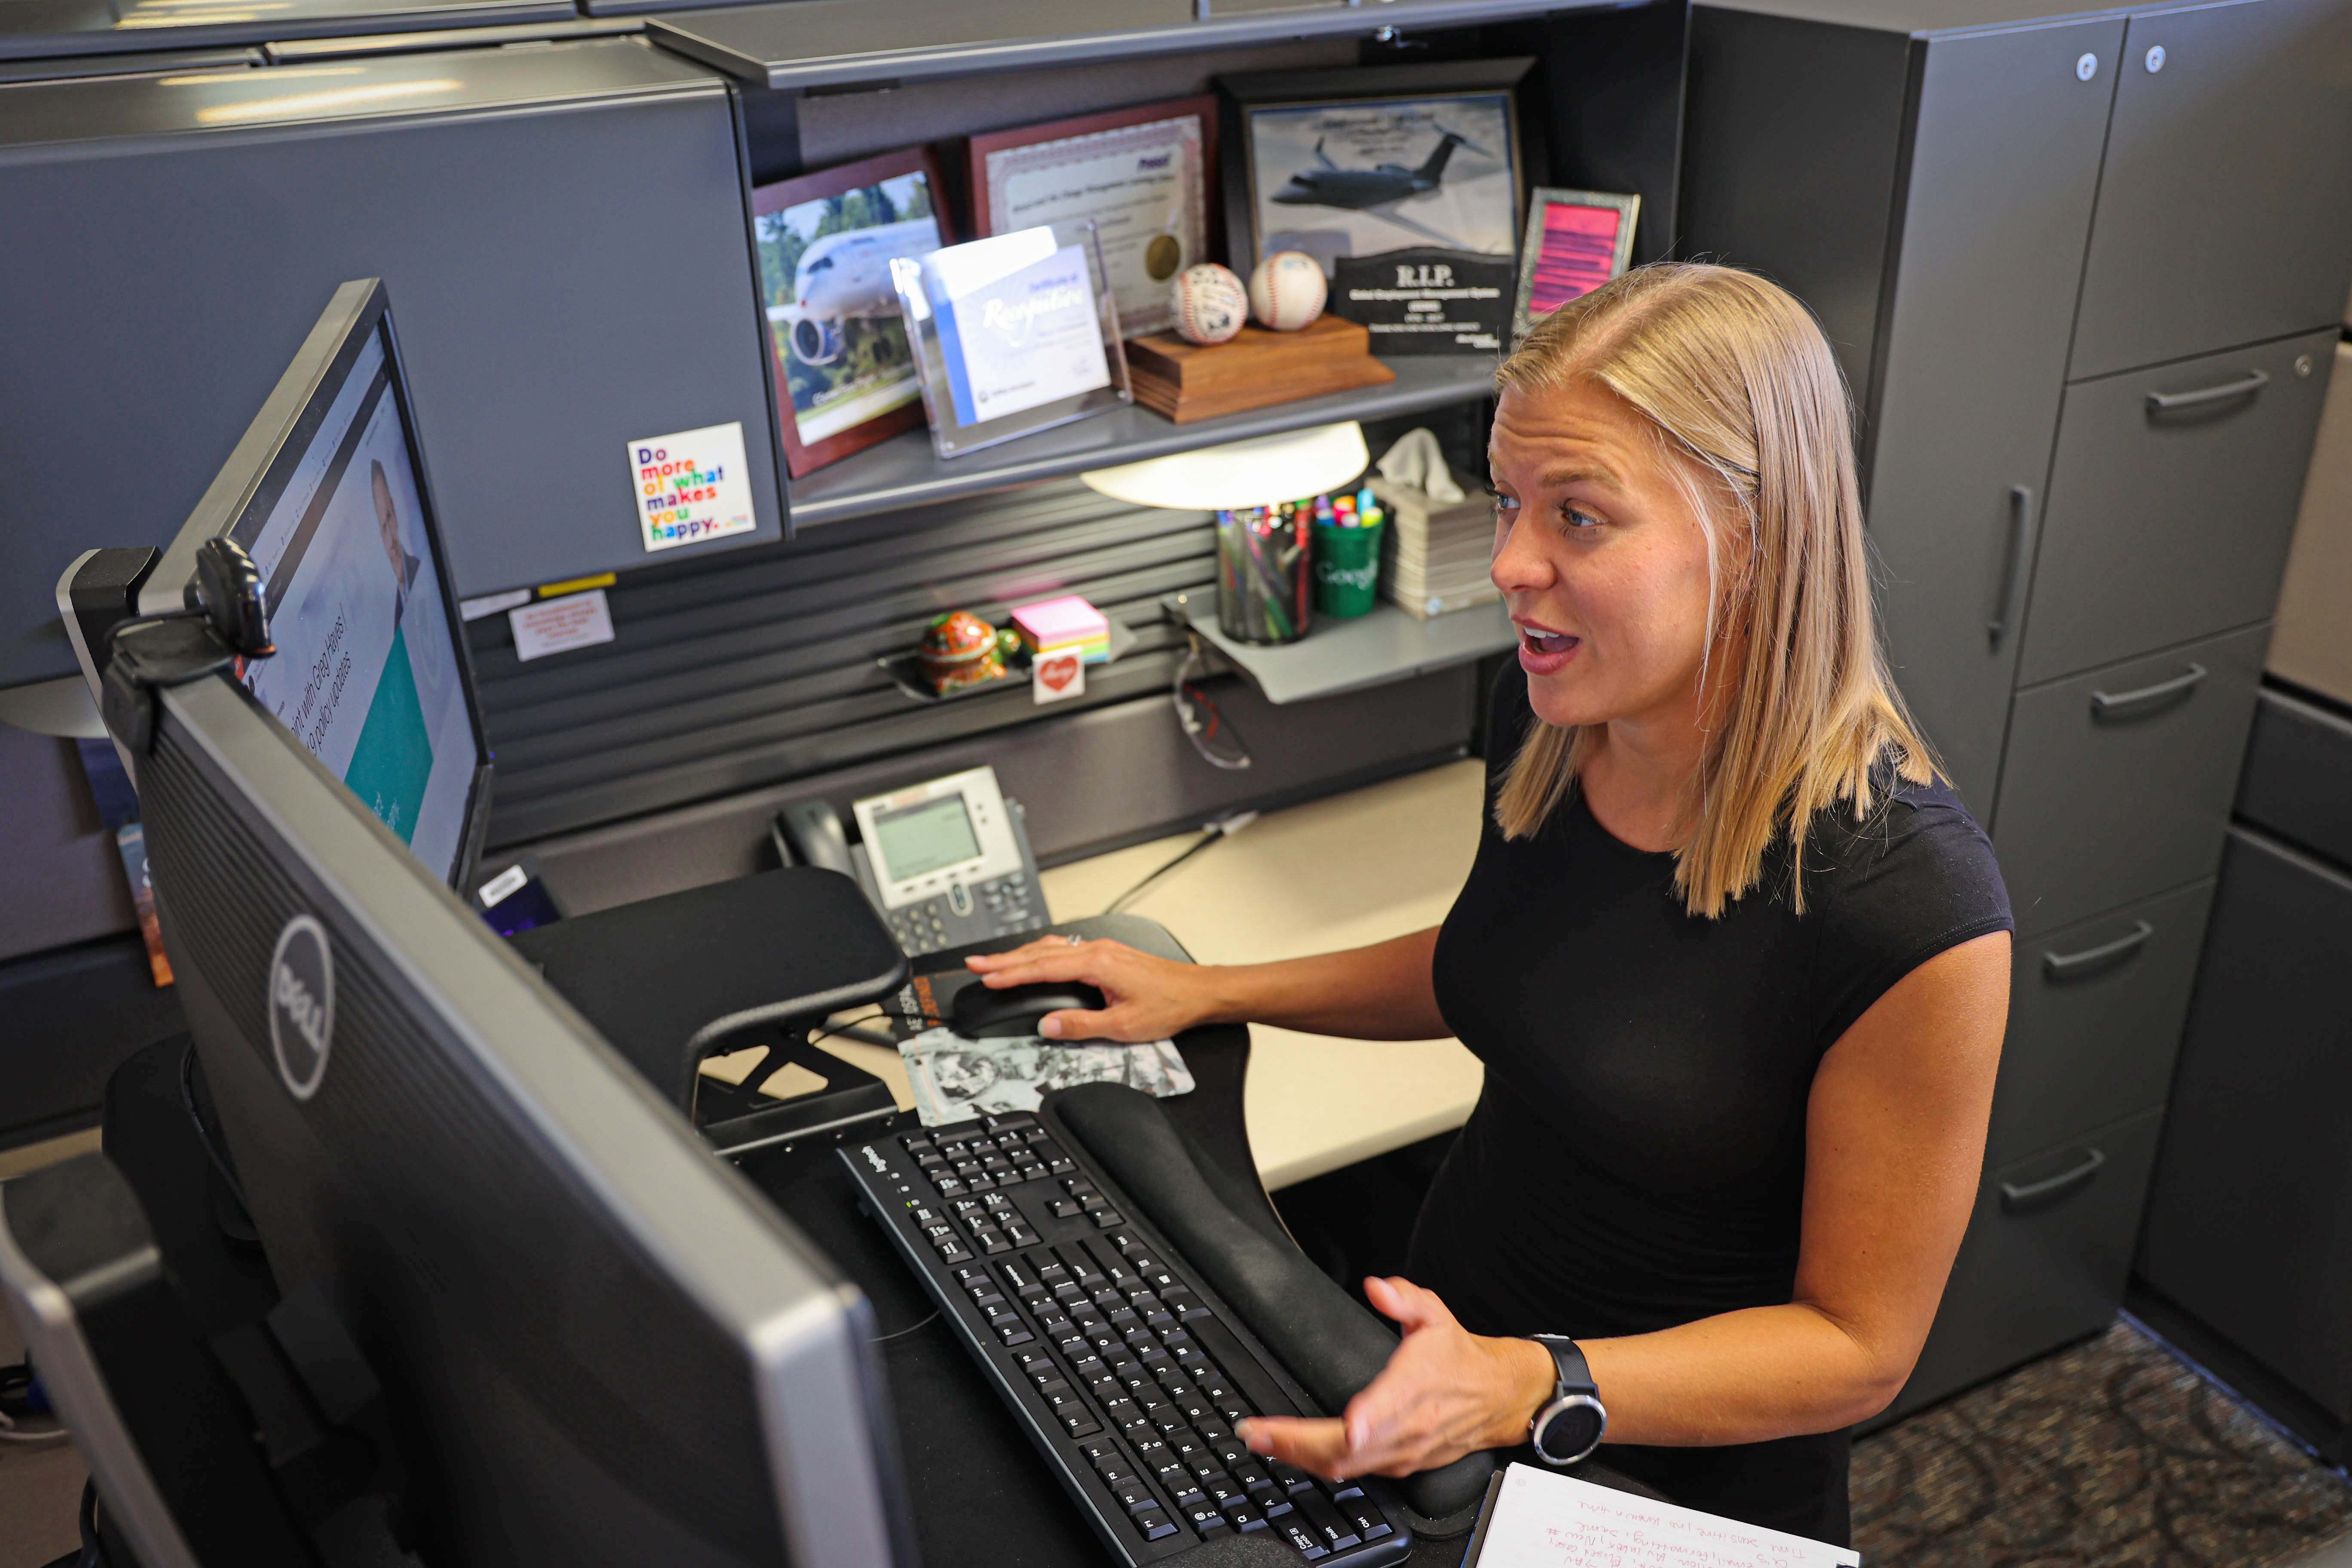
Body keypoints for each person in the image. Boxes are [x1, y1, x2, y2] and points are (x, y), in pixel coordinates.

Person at [964, 263, 2013, 1545]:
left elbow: (1856, 1348)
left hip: (1659, 1481)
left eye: (1579, 517)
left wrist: (1530, 1383)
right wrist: (1215, 989)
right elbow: (1508, 969)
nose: (1511, 562)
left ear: (1754, 534)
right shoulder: (1579, 724)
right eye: (1510, 501)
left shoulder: (1909, 902)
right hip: (1451, 1381)